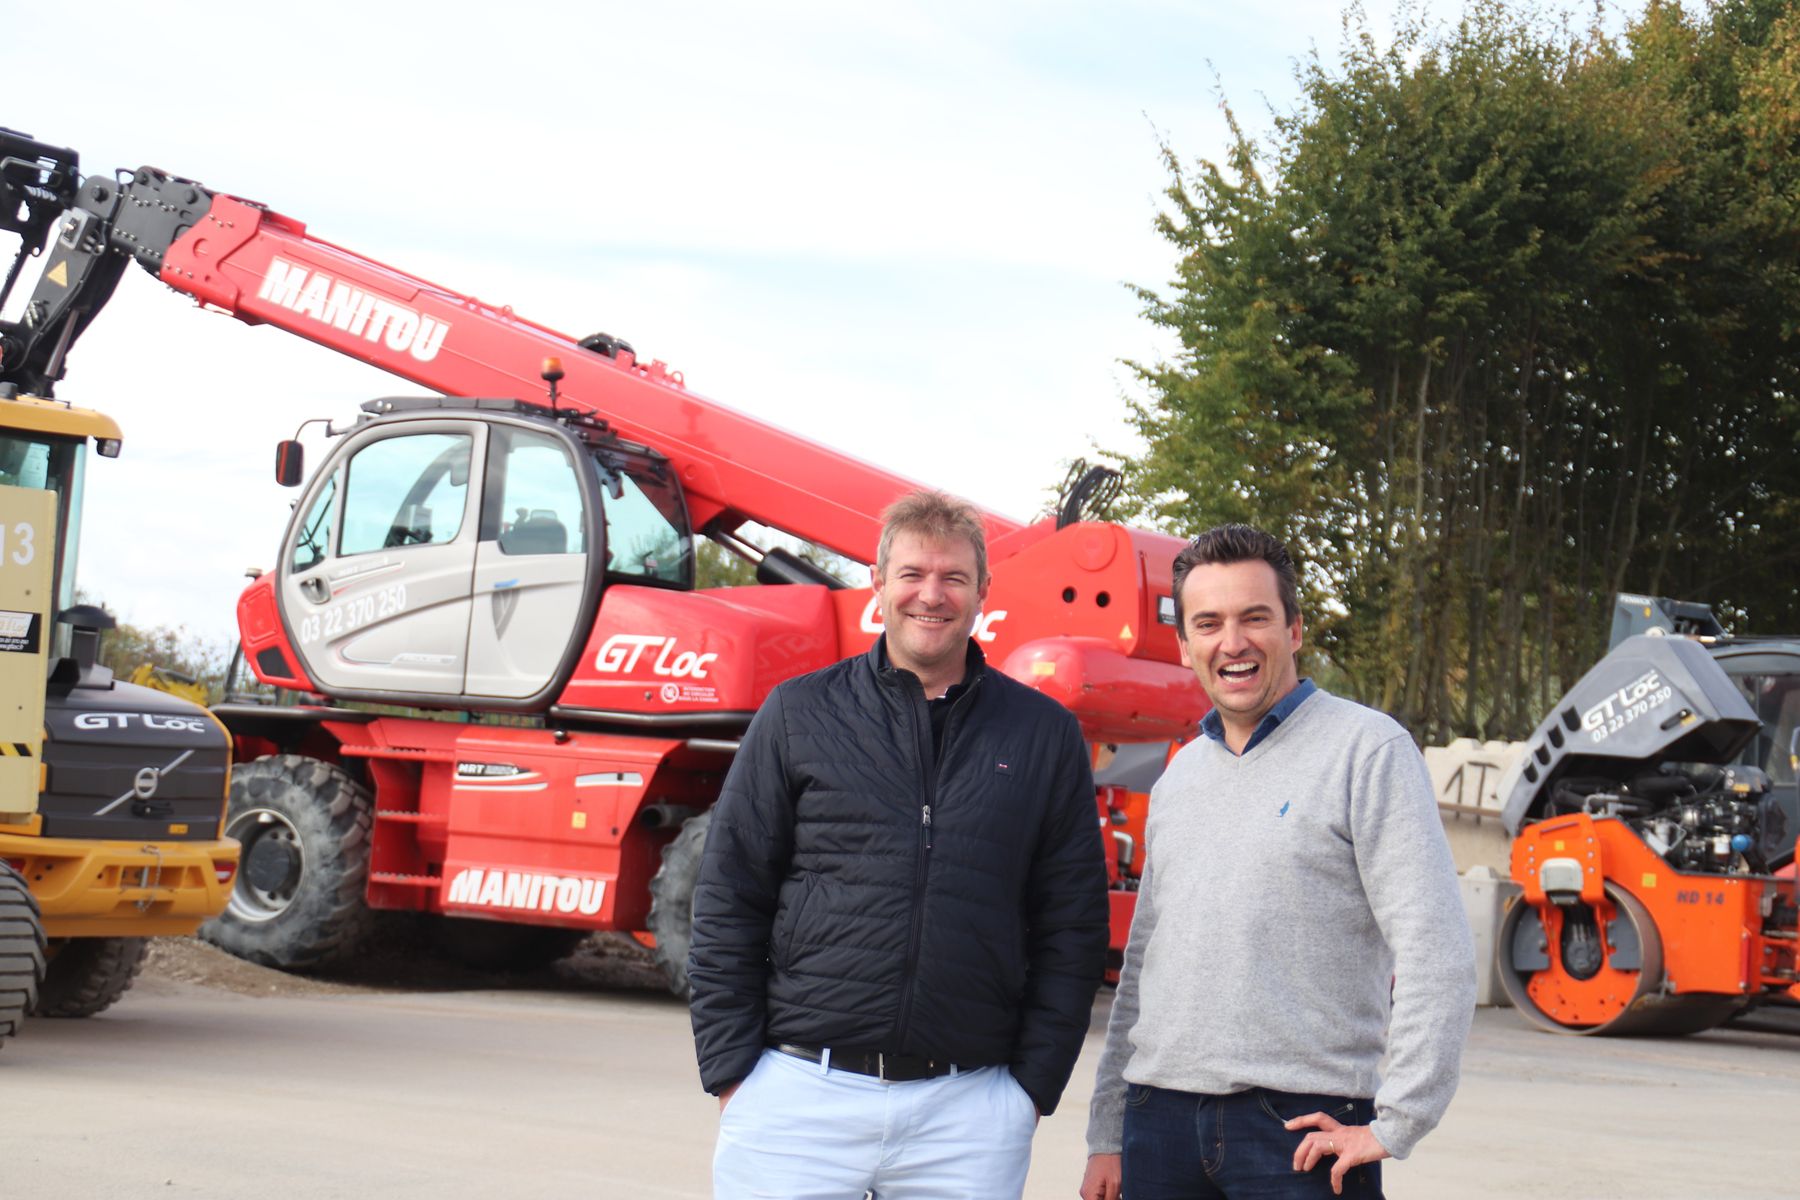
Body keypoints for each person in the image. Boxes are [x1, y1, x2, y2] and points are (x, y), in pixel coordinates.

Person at [688, 488, 1110, 1199]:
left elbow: (1072, 923)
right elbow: (729, 894)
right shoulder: (798, 713)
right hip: (798, 1099)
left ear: (983, 593)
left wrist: (1029, 1091)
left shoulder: (1043, 734)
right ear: (878, 586)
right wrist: (735, 1072)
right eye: (912, 574)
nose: (931, 595)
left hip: (968, 1115)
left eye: (954, 577)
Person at [1080, 524, 1475, 1200]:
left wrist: (1396, 1122)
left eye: (1253, 618)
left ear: (1293, 629)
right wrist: (1108, 1132)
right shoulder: (1179, 778)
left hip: (1298, 1132)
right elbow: (1144, 965)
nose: (1231, 642)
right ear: (1186, 646)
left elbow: (1437, 947)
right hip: (1159, 1125)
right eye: (1208, 623)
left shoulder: (1367, 751)